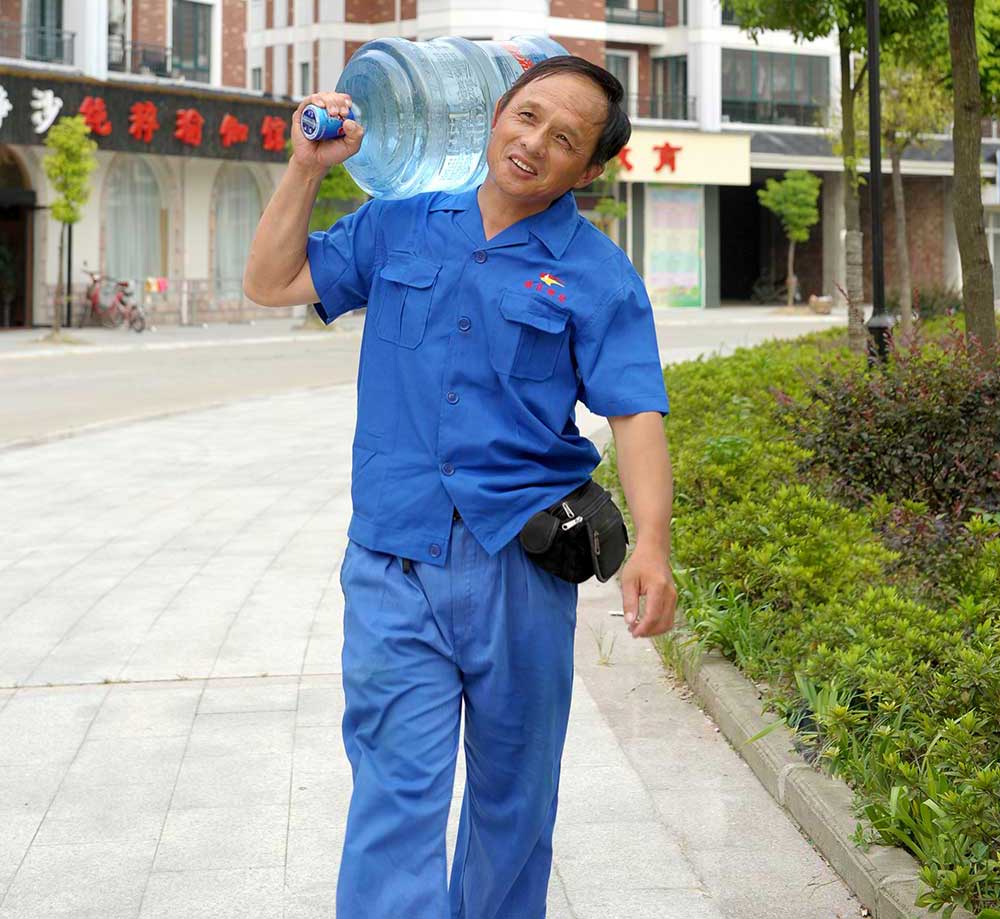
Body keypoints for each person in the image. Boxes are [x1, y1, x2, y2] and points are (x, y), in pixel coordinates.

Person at [244, 54, 677, 919]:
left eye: (565, 139)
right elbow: (271, 282)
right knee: (394, 793)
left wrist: (654, 546)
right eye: (527, 116)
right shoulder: (399, 222)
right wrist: (305, 168)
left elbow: (635, 412)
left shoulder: (597, 274)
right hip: (395, 559)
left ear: (587, 172)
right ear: (496, 113)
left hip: (521, 564)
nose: (534, 143)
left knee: (513, 805)